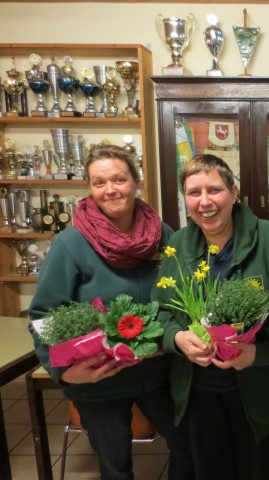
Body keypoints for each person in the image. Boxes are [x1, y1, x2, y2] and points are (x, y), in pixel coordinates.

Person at [28, 144, 194, 480]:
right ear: (89, 188)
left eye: (118, 179)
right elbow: (43, 315)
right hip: (100, 378)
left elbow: (183, 293)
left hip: (160, 372)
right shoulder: (71, 245)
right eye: (99, 182)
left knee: (190, 446)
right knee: (116, 467)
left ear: (136, 182)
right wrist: (63, 372)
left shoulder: (163, 235)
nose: (110, 190)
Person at [152, 154, 269, 480]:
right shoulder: (178, 245)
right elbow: (159, 311)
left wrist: (260, 352)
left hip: (258, 390)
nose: (204, 202)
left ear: (234, 193)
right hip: (199, 392)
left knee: (256, 469)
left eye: (214, 190)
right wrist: (176, 338)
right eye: (193, 192)